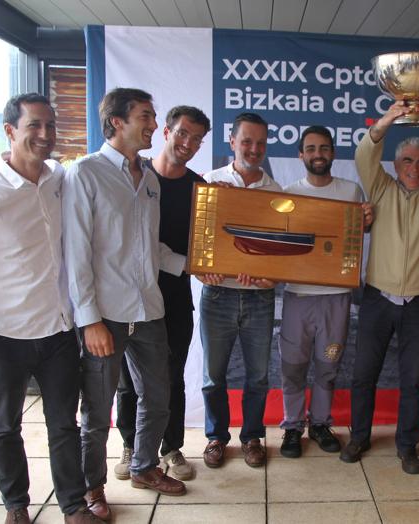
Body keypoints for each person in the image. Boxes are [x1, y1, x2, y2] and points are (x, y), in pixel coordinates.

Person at [0, 93, 102, 523]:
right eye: (34, 126)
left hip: (58, 331)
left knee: (64, 425)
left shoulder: (59, 180)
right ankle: (16, 506)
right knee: (5, 426)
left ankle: (72, 504)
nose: (45, 135)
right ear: (10, 131)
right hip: (1, 336)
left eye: (50, 125)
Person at [63, 87, 186, 521]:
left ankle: (144, 466)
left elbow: (149, 247)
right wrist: (89, 319)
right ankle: (91, 487)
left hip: (148, 310)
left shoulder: (149, 178)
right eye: (145, 117)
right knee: (97, 411)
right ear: (117, 121)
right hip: (106, 317)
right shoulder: (85, 174)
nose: (153, 125)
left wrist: (195, 265)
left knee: (158, 396)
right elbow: (76, 253)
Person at [341, 100, 419, 474]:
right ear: (395, 166)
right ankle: (360, 436)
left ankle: (407, 445)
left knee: (413, 380)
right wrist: (388, 119)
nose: (414, 168)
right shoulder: (379, 188)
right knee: (364, 373)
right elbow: (366, 152)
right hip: (378, 299)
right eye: (407, 161)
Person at [114, 105, 210, 482]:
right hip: (128, 293)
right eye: (183, 133)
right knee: (127, 378)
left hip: (174, 296)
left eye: (197, 139)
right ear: (167, 132)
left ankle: (170, 447)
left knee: (171, 375)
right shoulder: (136, 176)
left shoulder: (201, 188)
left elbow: (207, 243)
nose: (188, 143)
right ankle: (130, 444)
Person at [278, 125, 372, 458]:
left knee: (327, 365)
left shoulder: (352, 192)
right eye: (312, 148)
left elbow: (361, 232)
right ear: (301, 154)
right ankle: (292, 426)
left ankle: (319, 423)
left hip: (336, 296)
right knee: (292, 365)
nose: (318, 154)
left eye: (325, 148)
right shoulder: (289, 193)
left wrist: (369, 221)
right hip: (298, 296)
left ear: (333, 152)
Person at [199, 112, 281, 469]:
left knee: (258, 376)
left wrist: (273, 277)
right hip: (218, 297)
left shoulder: (276, 192)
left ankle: (252, 437)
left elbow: (280, 248)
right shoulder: (209, 182)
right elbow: (200, 240)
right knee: (213, 376)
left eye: (260, 142)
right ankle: (217, 437)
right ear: (231, 141)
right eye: (246, 141)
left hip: (260, 299)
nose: (254, 149)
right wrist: (203, 270)